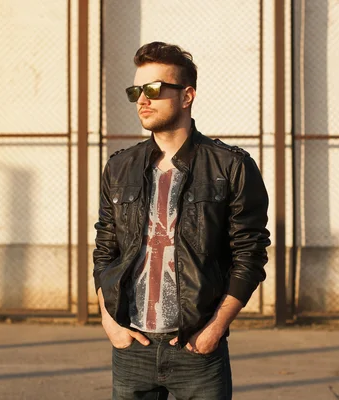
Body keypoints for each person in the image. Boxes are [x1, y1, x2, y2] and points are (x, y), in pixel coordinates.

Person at [93, 41, 271, 400]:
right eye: (136, 91)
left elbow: (249, 255)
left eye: (154, 89)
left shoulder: (230, 167)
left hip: (196, 348)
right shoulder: (119, 167)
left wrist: (215, 329)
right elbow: (105, 250)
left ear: (187, 96)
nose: (142, 100)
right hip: (132, 348)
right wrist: (109, 323)